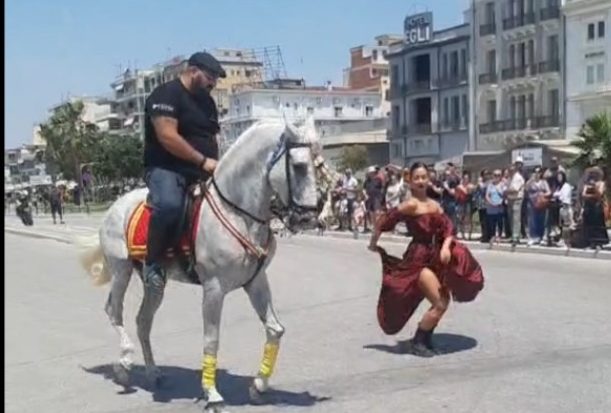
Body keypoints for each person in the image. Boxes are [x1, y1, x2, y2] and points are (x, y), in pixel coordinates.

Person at [367, 162, 484, 357]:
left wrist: (446, 247)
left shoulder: (435, 205)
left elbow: (448, 228)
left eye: (424, 177)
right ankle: (419, 341)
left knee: (441, 301)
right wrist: (373, 244)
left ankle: (425, 338)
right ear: (410, 182)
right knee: (441, 302)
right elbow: (383, 222)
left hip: (435, 257)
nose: (421, 181)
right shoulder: (410, 205)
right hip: (418, 259)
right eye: (417, 178)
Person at [143, 51, 226, 289]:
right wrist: (202, 161)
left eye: (215, 79)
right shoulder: (166, 94)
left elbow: (212, 137)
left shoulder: (207, 102)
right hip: (166, 168)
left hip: (204, 169)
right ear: (193, 71)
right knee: (170, 205)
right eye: (210, 77)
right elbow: (167, 137)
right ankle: (153, 263)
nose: (213, 83)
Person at [581, 167, 609, 249]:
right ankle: (590, 242)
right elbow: (583, 195)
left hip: (597, 207)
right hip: (588, 207)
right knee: (588, 225)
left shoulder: (601, 183)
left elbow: (599, 194)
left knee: (598, 225)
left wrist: (594, 187)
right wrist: (592, 196)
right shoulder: (587, 184)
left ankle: (599, 242)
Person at [526, 167, 551, 246]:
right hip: (532, 204)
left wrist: (542, 194)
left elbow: (549, 192)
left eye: (538, 172)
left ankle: (541, 236)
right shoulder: (531, 182)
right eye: (535, 172)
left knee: (542, 220)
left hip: (541, 204)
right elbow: (525, 188)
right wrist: (531, 179)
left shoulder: (544, 182)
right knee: (532, 221)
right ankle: (534, 237)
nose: (537, 174)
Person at [553, 171, 575, 248]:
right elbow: (555, 194)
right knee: (562, 225)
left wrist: (558, 195)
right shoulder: (559, 186)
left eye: (560, 176)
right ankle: (563, 240)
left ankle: (567, 241)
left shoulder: (566, 186)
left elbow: (563, 197)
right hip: (561, 207)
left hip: (566, 206)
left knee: (567, 225)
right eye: (558, 176)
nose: (559, 178)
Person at [506, 158, 525, 246]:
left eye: (512, 169)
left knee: (516, 219)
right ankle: (513, 235)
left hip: (517, 199)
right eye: (509, 169)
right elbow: (507, 189)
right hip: (510, 199)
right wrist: (507, 191)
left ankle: (516, 237)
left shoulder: (518, 177)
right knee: (511, 218)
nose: (510, 170)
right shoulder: (510, 178)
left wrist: (506, 191)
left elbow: (514, 190)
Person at [485, 169, 505, 245]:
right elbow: (487, 195)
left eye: (498, 175)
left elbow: (504, 195)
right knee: (491, 223)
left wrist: (500, 202)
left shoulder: (502, 185)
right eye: (495, 175)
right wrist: (491, 203)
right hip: (491, 207)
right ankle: (492, 236)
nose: (497, 176)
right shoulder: (490, 185)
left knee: (499, 222)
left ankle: (499, 236)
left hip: (499, 207)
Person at [456, 172, 475, 240]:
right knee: (461, 219)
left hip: (468, 204)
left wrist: (464, 188)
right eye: (464, 178)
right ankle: (463, 235)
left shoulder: (470, 186)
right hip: (461, 204)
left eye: (467, 178)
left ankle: (469, 235)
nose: (466, 179)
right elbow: (457, 196)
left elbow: (468, 192)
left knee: (469, 219)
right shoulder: (459, 186)